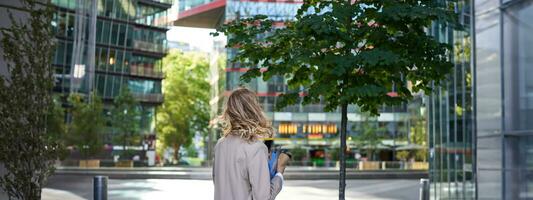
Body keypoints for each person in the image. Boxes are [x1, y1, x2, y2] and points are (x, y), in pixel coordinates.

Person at [213, 87, 290, 200]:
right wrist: (279, 173)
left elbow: (220, 184)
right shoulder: (256, 148)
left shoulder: (220, 145)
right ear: (253, 110)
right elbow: (263, 198)